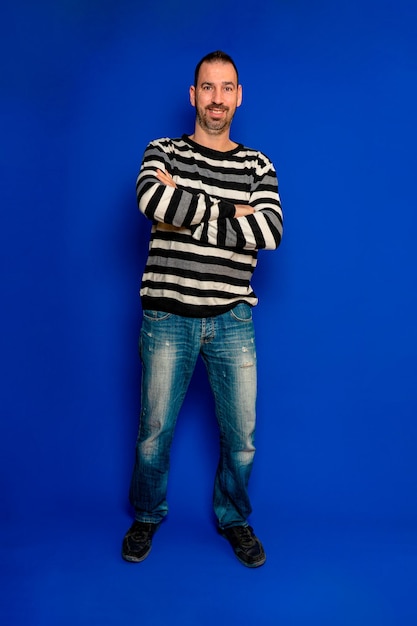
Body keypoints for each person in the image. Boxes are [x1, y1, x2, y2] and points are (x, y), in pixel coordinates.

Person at [122, 50, 283, 568]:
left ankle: (234, 519)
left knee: (242, 441)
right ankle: (147, 516)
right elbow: (153, 200)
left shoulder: (258, 165)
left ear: (239, 95)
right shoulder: (162, 151)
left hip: (232, 319)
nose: (217, 98)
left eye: (227, 87)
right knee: (154, 435)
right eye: (208, 88)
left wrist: (189, 208)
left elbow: (270, 231)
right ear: (194, 95)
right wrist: (230, 210)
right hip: (167, 316)